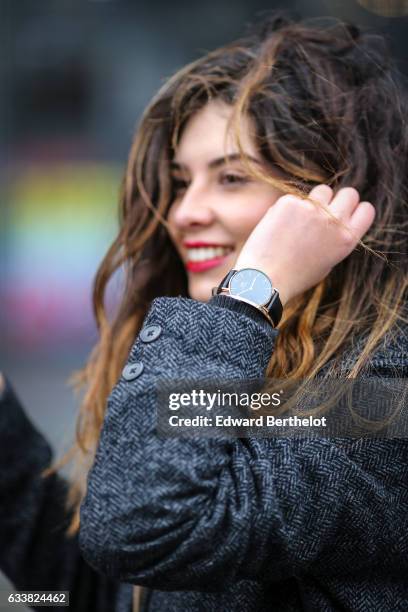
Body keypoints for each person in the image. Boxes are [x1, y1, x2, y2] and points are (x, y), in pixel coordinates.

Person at [1, 12, 407, 612]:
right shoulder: (247, 367)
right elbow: (113, 595)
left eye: (231, 177)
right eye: (179, 180)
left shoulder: (381, 394)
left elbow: (142, 527)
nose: (183, 211)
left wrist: (250, 293)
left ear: (332, 198)